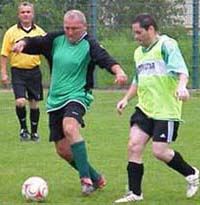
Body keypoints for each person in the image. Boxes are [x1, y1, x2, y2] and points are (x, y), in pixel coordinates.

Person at [12, 10, 127, 195]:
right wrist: (23, 43)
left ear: (84, 27)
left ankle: (86, 180)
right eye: (67, 27)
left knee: (70, 128)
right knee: (63, 150)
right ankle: (96, 178)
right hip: (55, 99)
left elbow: (105, 59)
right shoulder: (56, 39)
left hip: (78, 95)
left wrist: (119, 71)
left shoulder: (90, 44)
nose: (70, 32)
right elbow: (37, 42)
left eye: (74, 28)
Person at [114, 13, 199, 203]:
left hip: (166, 110)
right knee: (134, 145)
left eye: (139, 32)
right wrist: (126, 99)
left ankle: (192, 174)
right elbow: (138, 79)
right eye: (134, 33)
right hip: (144, 108)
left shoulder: (167, 45)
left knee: (160, 151)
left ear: (151, 29)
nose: (136, 37)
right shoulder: (138, 52)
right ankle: (135, 193)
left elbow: (182, 71)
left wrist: (181, 86)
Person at [0, 2, 45, 141]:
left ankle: (35, 132)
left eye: (28, 12)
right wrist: (3, 72)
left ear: (32, 14)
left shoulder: (40, 32)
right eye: (23, 12)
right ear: (19, 15)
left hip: (34, 72)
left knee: (34, 103)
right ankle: (23, 129)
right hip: (18, 72)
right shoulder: (11, 32)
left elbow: (50, 50)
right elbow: (4, 54)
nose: (25, 14)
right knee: (20, 102)